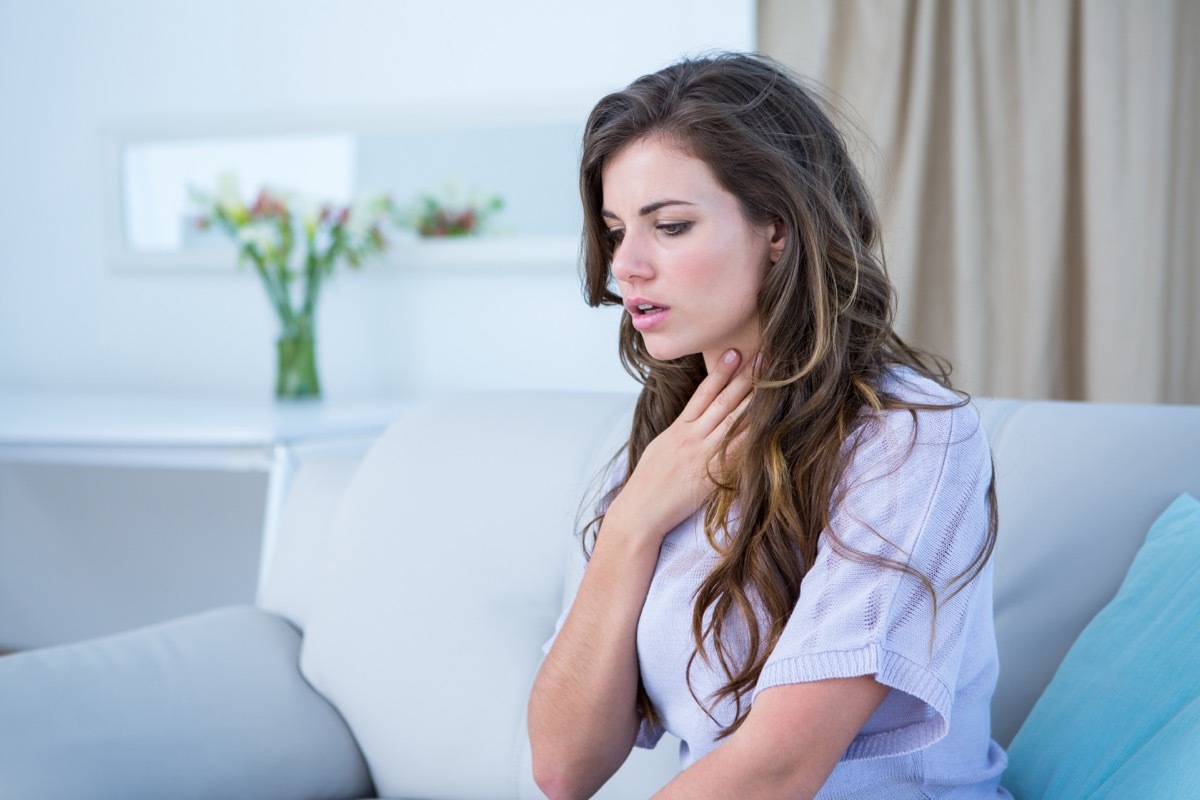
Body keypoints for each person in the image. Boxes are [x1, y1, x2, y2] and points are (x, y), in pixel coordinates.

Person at [527, 53, 1010, 799]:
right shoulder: (673, 441)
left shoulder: (912, 435)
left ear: (777, 228)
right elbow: (563, 768)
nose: (627, 264)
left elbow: (780, 769)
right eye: (617, 231)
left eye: (672, 226)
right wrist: (633, 523)